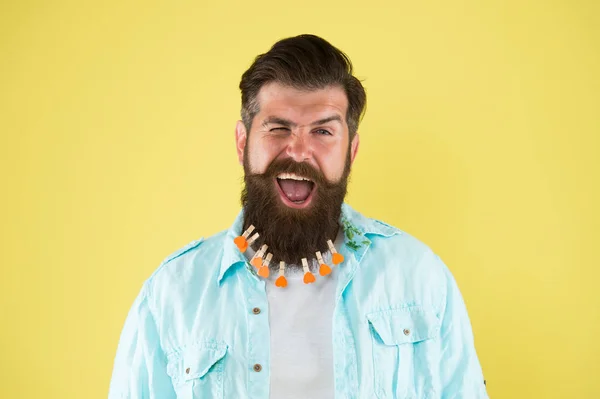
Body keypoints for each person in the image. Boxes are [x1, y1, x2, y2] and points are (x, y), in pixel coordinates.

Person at [108, 34, 488, 399]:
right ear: (243, 142)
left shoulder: (418, 277)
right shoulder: (172, 294)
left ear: (351, 151)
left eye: (323, 131)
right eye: (279, 128)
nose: (299, 150)